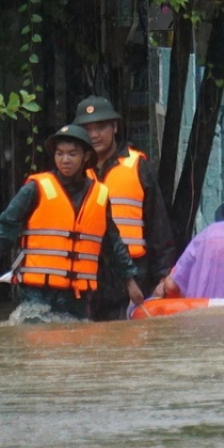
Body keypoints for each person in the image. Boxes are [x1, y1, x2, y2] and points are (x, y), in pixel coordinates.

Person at [0, 124, 143, 322]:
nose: (65, 160)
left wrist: (130, 281)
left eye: (72, 154)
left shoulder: (100, 195)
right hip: (37, 292)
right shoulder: (36, 188)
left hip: (76, 296)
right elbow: (7, 226)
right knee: (37, 344)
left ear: (85, 157)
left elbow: (113, 244)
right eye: (59, 154)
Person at [72, 96, 176, 320]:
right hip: (87, 272)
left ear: (114, 127)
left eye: (100, 127)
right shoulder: (73, 171)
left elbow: (158, 226)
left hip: (133, 272)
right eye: (87, 129)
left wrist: (164, 276)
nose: (94, 135)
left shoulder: (138, 166)